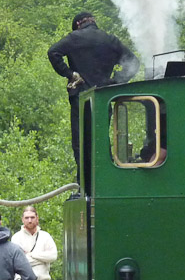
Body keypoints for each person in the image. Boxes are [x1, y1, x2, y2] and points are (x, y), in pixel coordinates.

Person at [48, 12, 140, 172]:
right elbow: (133, 62)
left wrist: (70, 74)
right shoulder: (110, 40)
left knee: (81, 142)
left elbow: (53, 52)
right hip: (103, 98)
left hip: (81, 99)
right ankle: (104, 179)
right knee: (101, 140)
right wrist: (115, 82)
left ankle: (85, 185)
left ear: (78, 24)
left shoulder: (74, 38)